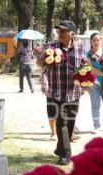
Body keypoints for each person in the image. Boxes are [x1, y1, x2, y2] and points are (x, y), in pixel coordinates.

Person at [37, 20, 84, 165]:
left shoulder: (79, 47)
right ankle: (65, 155)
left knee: (70, 123)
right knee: (62, 123)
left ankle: (60, 148)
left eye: (64, 31)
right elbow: (39, 63)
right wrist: (46, 61)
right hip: (56, 92)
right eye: (59, 31)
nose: (60, 34)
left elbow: (83, 64)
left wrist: (85, 77)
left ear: (72, 33)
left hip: (74, 92)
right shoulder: (50, 47)